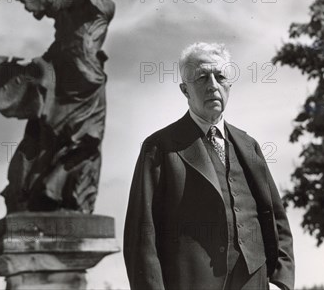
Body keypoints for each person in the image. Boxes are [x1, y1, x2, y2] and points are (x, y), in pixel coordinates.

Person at [124, 42, 294, 290]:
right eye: (202, 77)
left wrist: (281, 281)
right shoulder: (159, 147)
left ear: (229, 86)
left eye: (220, 76)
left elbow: (276, 219)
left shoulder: (250, 146)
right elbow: (141, 235)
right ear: (185, 90)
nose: (213, 85)